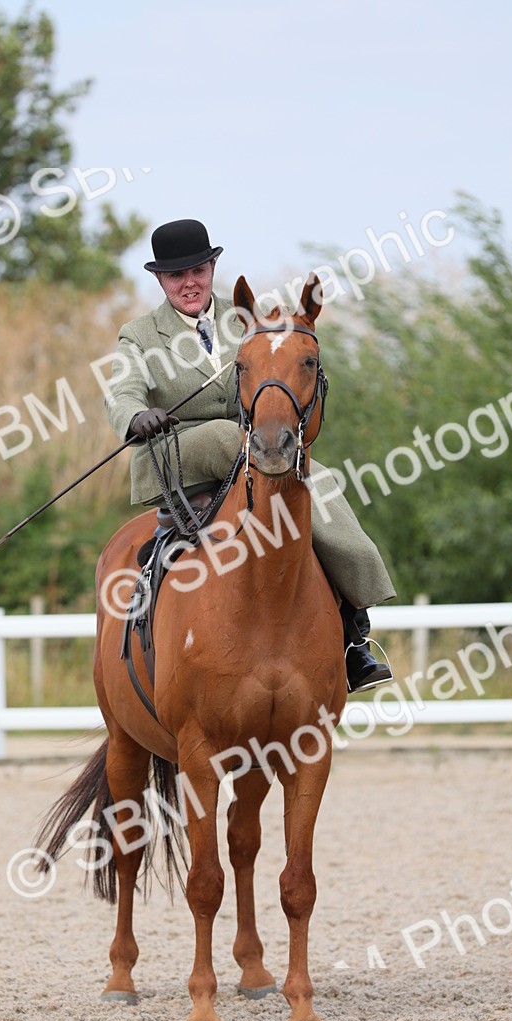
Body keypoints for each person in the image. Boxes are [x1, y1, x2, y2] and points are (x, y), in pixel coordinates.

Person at [104, 218, 395, 692]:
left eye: (197, 271)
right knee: (226, 435)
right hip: (175, 451)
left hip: (254, 454)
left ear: (212, 267)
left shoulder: (245, 320)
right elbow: (122, 391)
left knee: (316, 480)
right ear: (160, 280)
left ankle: (353, 635)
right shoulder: (140, 335)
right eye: (176, 276)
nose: (189, 283)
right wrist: (136, 417)